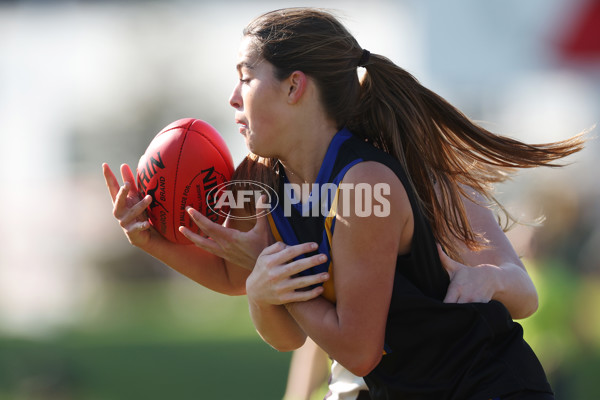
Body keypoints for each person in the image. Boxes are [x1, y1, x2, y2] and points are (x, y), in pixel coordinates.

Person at [102, 6, 586, 399]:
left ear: (294, 87)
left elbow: (357, 351)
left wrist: (492, 277)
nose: (232, 98)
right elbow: (274, 317)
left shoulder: (366, 186)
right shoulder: (266, 180)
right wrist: (150, 240)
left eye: (246, 78)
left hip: (487, 388)